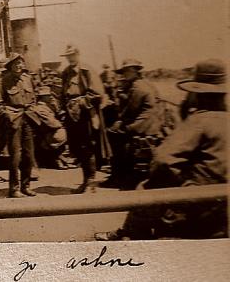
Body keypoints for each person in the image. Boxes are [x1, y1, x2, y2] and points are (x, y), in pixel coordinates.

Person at [120, 59, 228, 240]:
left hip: (200, 205)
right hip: (223, 203)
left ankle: (129, 240)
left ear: (197, 94)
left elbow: (162, 161)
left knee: (144, 188)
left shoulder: (199, 121)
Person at [105, 58, 164, 189]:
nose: (124, 75)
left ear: (134, 71)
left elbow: (130, 111)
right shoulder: (144, 83)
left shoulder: (138, 87)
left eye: (127, 71)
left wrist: (119, 117)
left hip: (143, 124)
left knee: (112, 133)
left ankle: (118, 176)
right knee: (116, 129)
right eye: (124, 72)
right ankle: (121, 174)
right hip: (151, 122)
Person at [60, 44, 108, 194]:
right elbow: (63, 93)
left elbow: (97, 93)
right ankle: (85, 180)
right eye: (67, 56)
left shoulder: (87, 70)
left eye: (72, 55)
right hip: (71, 114)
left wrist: (81, 102)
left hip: (86, 113)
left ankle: (91, 182)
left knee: (88, 146)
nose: (69, 58)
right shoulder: (66, 72)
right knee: (77, 148)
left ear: (78, 54)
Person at [0, 53, 38, 198]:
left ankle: (26, 186)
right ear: (10, 66)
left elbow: (33, 98)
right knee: (15, 156)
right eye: (15, 63)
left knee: (28, 154)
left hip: (28, 119)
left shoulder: (27, 79)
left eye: (20, 63)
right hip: (13, 121)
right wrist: (7, 116)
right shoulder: (3, 81)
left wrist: (32, 110)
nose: (19, 66)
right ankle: (14, 189)